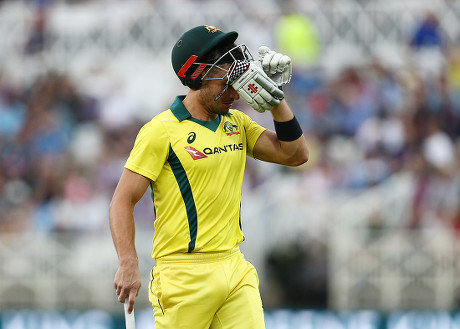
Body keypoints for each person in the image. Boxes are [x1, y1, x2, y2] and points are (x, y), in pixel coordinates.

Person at [109, 24, 309, 329]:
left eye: (237, 83)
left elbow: (295, 154)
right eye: (226, 83)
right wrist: (127, 262)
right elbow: (122, 201)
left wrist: (276, 100)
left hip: (234, 267)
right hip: (183, 277)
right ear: (197, 74)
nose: (234, 93)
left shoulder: (237, 122)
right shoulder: (160, 131)